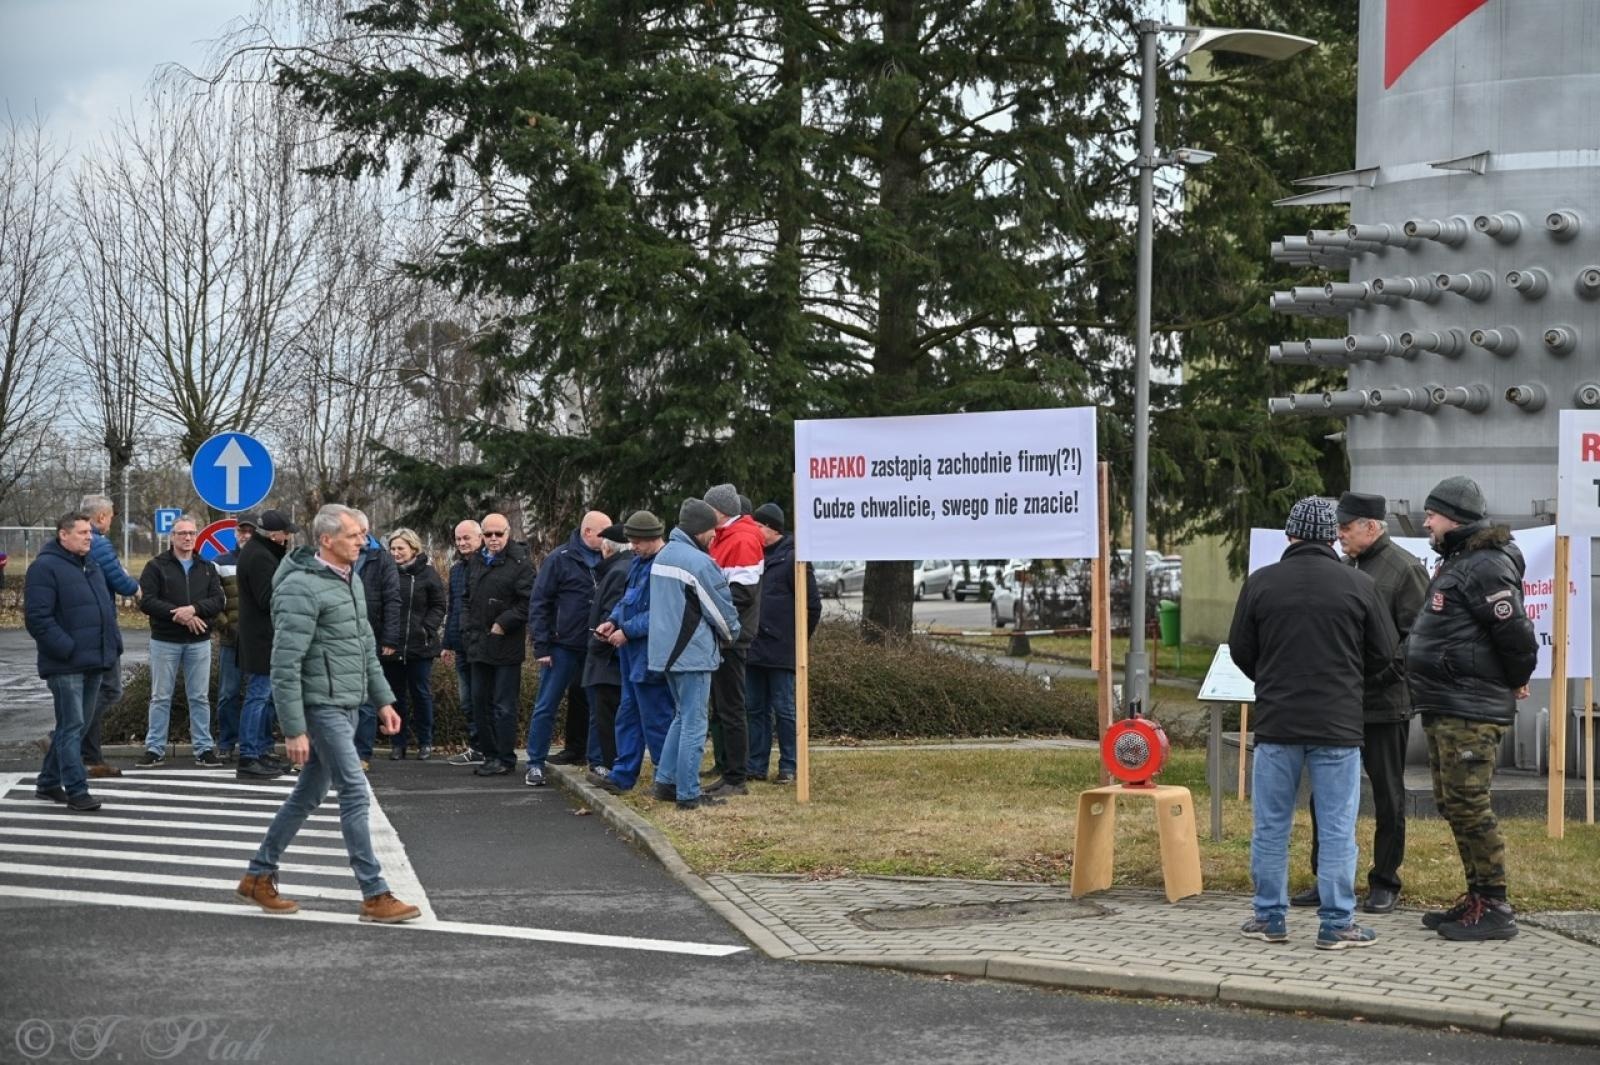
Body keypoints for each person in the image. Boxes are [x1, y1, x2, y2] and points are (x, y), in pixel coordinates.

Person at [235, 504, 421, 923]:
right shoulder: (300, 588)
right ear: (326, 539)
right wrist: (293, 728)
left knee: (307, 795)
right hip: (320, 706)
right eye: (354, 535)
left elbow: (364, 647)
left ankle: (258, 875)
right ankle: (374, 893)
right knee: (354, 790)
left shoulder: (349, 578)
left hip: (348, 702)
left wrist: (384, 700)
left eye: (363, 534)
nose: (363, 542)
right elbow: (285, 664)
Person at [1228, 496, 1397, 950]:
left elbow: (1240, 649)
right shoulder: (1360, 586)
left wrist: (1270, 679)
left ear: (1290, 535)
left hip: (1277, 723)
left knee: (1271, 826)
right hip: (1338, 726)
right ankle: (1337, 923)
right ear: (1333, 537)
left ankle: (1269, 917)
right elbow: (1384, 652)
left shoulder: (1261, 583)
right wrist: (1348, 681)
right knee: (1338, 826)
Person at [1405, 476, 1537, 942]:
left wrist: (1517, 677)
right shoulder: (1460, 560)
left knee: (1470, 803)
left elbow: (1515, 633)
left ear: (1455, 518)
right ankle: (1477, 895)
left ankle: (1496, 906)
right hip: (1448, 702)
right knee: (1452, 803)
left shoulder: (1486, 565)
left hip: (1471, 707)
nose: (1426, 523)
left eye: (1432, 515)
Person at [1291, 492, 1428, 915]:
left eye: (1346, 528)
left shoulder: (1405, 569)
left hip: (1384, 705)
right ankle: (1327, 877)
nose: (1339, 535)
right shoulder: (1341, 567)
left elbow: (1417, 640)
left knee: (1387, 795)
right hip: (1340, 706)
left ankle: (1385, 881)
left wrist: (1376, 678)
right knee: (1326, 795)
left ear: (1371, 527)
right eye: (1338, 528)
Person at [644, 498, 739, 810]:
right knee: (695, 725)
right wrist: (732, 635)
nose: (714, 536)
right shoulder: (698, 562)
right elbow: (720, 612)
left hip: (666, 653)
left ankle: (665, 782)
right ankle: (688, 793)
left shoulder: (664, 556)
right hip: (692, 654)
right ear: (699, 529)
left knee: (681, 717)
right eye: (712, 530)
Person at [24, 511, 120, 812]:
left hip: (95, 660)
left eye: (90, 532)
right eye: (82, 533)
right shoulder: (44, 568)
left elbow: (104, 608)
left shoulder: (90, 564)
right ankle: (77, 790)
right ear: (63, 535)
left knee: (75, 726)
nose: (89, 537)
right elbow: (38, 619)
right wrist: (68, 649)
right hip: (66, 664)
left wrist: (112, 645)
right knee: (72, 726)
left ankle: (47, 783)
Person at [523, 510, 612, 782]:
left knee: (597, 706)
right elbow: (540, 603)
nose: (608, 539)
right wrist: (542, 646)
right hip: (561, 645)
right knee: (546, 705)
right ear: (587, 532)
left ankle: (597, 761)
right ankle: (535, 762)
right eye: (604, 533)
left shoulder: (608, 560)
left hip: (595, 645)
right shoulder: (559, 559)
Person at [593, 512, 676, 796]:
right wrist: (612, 621)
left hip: (651, 652)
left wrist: (627, 630)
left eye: (637, 541)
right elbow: (627, 601)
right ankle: (622, 774)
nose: (633, 547)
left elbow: (663, 612)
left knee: (656, 717)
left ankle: (667, 779)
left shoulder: (665, 564)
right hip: (632, 652)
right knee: (628, 714)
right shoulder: (639, 562)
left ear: (653, 537)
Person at [135, 514, 225, 767]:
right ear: (172, 537)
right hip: (165, 641)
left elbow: (218, 601)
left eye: (191, 533)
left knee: (199, 698)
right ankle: (154, 749)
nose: (187, 537)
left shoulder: (207, 567)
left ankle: (204, 749)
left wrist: (194, 610)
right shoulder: (156, 566)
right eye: (182, 533)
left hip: (199, 642)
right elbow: (147, 601)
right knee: (160, 697)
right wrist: (181, 616)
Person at [745, 504, 820, 784]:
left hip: (782, 649)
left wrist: (798, 640)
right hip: (753, 648)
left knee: (785, 709)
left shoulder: (794, 559)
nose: (753, 532)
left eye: (757, 526)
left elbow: (812, 606)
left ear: (771, 528)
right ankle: (756, 764)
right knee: (754, 708)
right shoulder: (753, 556)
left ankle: (790, 765)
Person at [702, 482, 763, 797]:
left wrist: (708, 609)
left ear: (720, 510)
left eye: (707, 508)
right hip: (724, 631)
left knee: (731, 706)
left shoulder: (741, 539)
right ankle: (729, 771)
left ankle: (736, 777)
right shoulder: (727, 537)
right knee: (723, 707)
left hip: (732, 635)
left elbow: (743, 593)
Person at [463, 513, 534, 779]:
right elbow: (466, 598)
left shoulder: (521, 563)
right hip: (478, 643)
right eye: (488, 534)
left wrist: (503, 623)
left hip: (505, 644)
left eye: (498, 534)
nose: (493, 539)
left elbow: (528, 602)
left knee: (503, 706)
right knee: (479, 701)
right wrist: (466, 626)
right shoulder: (476, 561)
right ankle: (490, 755)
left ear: (508, 533)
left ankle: (505, 757)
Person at [78, 494, 139, 779]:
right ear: (101, 517)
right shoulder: (99, 543)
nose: (111, 521)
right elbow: (121, 583)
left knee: (92, 690)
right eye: (111, 516)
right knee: (109, 690)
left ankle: (91, 758)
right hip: (100, 628)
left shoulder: (72, 544)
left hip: (81, 628)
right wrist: (137, 588)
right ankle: (62, 735)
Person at [236, 509, 298, 779]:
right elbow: (267, 599)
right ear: (274, 535)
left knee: (264, 697)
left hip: (262, 636)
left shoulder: (259, 552)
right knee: (258, 697)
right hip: (262, 638)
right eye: (286, 533)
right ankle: (249, 756)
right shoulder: (260, 557)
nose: (288, 538)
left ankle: (261, 751)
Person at [382, 527, 445, 760]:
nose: (395, 553)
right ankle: (397, 743)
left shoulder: (428, 574)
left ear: (413, 548)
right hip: (392, 645)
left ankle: (425, 742)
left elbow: (439, 605)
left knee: (421, 694)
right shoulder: (386, 573)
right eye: (392, 548)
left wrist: (426, 628)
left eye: (400, 548)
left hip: (420, 646)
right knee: (394, 696)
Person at [580, 525, 631, 791]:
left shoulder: (618, 572)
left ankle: (611, 768)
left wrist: (595, 647)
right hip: (610, 661)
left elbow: (611, 616)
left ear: (607, 547)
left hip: (608, 663)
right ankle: (608, 764)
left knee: (608, 718)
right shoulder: (622, 569)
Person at [351, 509, 403, 769]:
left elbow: (393, 599)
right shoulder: (337, 554)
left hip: (371, 634)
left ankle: (362, 753)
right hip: (340, 636)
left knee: (367, 698)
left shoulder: (381, 558)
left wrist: (390, 639)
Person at [212, 517, 256, 763]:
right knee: (228, 694)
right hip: (232, 640)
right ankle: (226, 743)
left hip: (258, 640)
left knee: (259, 695)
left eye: (250, 531)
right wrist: (225, 627)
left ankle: (257, 744)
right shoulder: (221, 562)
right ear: (235, 533)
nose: (245, 535)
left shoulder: (264, 561)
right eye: (242, 531)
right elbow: (212, 598)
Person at [443, 519, 485, 765]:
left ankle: (486, 747)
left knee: (481, 699)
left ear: (480, 538)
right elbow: (453, 608)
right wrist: (447, 643)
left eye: (466, 538)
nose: (462, 543)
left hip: (480, 645)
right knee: (466, 701)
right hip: (460, 645)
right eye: (458, 539)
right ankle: (476, 747)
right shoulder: (456, 570)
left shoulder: (486, 567)